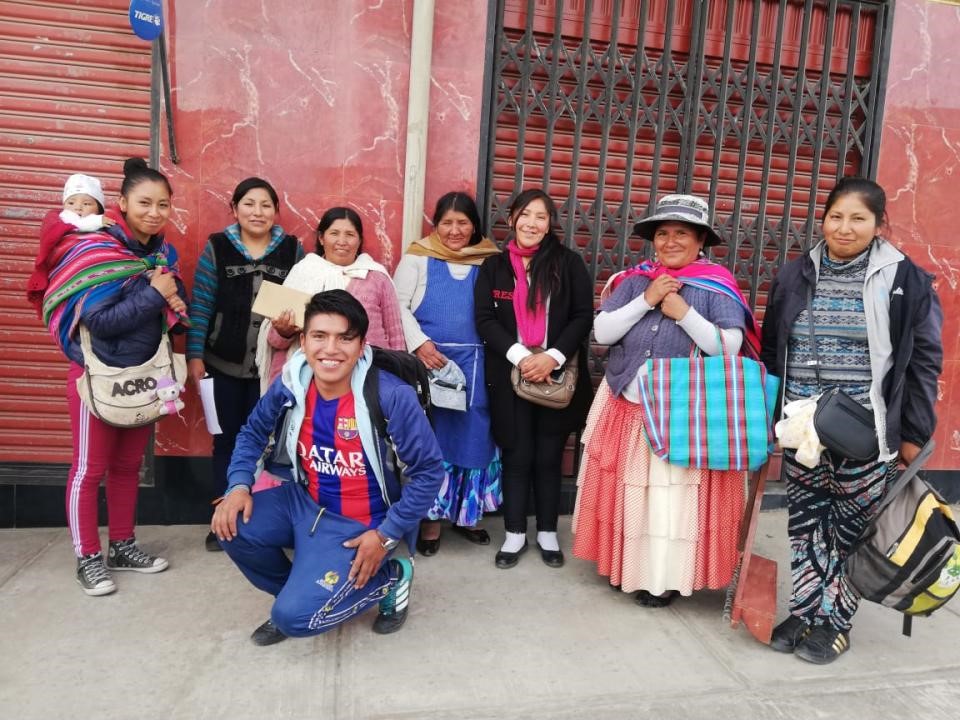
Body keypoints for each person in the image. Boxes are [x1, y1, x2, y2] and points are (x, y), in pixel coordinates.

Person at [760, 177, 942, 664]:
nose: (845, 227)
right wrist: (769, 415)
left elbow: (923, 362)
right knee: (806, 523)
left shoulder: (906, 280)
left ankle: (835, 623)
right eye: (836, 216)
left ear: (880, 224)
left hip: (865, 432)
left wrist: (914, 433)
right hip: (802, 428)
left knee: (851, 527)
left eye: (858, 218)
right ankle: (803, 611)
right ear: (822, 220)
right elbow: (774, 348)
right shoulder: (796, 273)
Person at [212, 290, 445, 645]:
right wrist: (238, 486)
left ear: (362, 345)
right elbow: (253, 432)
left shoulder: (391, 396)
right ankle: (297, 592)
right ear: (304, 341)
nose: (331, 349)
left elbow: (429, 473)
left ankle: (392, 575)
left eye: (345, 338)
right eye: (320, 336)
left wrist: (386, 535)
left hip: (361, 522)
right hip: (303, 504)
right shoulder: (292, 382)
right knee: (230, 525)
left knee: (294, 619)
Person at [572, 194, 760, 607]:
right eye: (662, 233)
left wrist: (683, 312)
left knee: (668, 501)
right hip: (626, 405)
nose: (670, 242)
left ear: (700, 240)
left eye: (681, 233)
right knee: (630, 495)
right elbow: (602, 333)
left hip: (680, 416)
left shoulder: (715, 286)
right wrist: (648, 299)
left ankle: (662, 578)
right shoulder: (635, 280)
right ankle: (626, 566)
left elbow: (728, 348)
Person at [31, 158, 188, 596]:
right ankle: (87, 557)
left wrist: (171, 294)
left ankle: (122, 546)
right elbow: (99, 322)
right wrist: (154, 293)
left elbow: (172, 306)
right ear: (121, 203)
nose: (154, 213)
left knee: (127, 466)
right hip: (95, 375)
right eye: (144, 203)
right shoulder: (95, 247)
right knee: (88, 469)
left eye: (163, 204)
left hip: (145, 374)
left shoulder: (162, 254)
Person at [474, 188, 593, 569]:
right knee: (517, 453)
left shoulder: (568, 263)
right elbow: (484, 319)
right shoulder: (494, 267)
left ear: (549, 223)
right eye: (525, 215)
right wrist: (523, 357)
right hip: (509, 375)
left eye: (541, 216)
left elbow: (582, 316)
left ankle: (546, 532)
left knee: (548, 455)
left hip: (555, 376)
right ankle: (514, 533)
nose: (532, 223)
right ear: (511, 218)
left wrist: (551, 357)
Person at [186, 177, 304, 551]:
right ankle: (223, 520)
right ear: (235, 209)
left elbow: (303, 303)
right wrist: (194, 355)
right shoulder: (217, 247)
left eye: (266, 205)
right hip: (221, 364)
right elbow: (201, 304)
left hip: (273, 369)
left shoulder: (292, 250)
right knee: (225, 441)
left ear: (276, 211)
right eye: (249, 204)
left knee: (270, 442)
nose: (257, 212)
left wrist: (291, 327)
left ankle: (262, 521)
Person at [393, 192, 503, 554]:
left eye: (463, 223)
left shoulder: (490, 260)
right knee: (433, 439)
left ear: (474, 226)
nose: (455, 231)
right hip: (430, 363)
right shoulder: (417, 258)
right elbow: (397, 306)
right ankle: (430, 521)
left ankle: (467, 514)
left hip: (477, 365)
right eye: (447, 223)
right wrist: (420, 344)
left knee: (475, 437)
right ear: (435, 225)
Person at [258, 207, 406, 388]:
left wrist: (398, 377)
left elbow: (396, 336)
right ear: (321, 238)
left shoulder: (377, 276)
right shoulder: (304, 272)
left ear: (359, 240)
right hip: (309, 379)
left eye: (350, 234)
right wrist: (284, 332)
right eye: (334, 233)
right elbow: (275, 340)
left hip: (369, 377)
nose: (342, 241)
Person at [26, 173, 116, 313]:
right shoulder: (60, 219)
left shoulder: (106, 229)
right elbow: (75, 224)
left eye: (86, 203)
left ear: (99, 209)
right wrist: (97, 221)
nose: (78, 207)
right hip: (63, 280)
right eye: (71, 203)